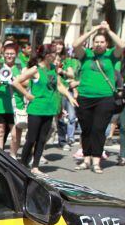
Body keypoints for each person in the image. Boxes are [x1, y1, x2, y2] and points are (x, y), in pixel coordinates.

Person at [13, 44, 77, 175]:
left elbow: (59, 85)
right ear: (47, 55)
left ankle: (35, 166)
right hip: (36, 109)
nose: (56, 56)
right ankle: (22, 165)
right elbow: (16, 82)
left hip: (49, 109)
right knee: (31, 139)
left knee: (42, 139)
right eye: (54, 53)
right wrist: (26, 94)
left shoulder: (53, 69)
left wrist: (69, 97)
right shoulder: (35, 69)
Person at [72, 22, 125, 173]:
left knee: (98, 129)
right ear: (93, 43)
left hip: (105, 98)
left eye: (102, 42)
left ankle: (96, 160)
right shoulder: (86, 55)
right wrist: (94, 30)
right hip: (85, 97)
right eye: (96, 42)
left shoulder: (110, 56)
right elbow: (76, 44)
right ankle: (86, 158)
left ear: (106, 44)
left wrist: (108, 30)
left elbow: (121, 45)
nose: (99, 44)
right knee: (86, 129)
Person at [0, 42, 24, 151]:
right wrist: (1, 80)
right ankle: (0, 155)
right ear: (3, 54)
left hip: (15, 105)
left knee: (15, 135)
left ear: (16, 55)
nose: (9, 56)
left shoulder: (20, 66)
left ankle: (13, 156)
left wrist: (15, 80)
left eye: (12, 54)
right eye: (7, 53)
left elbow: (27, 83)